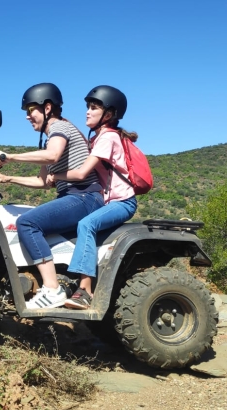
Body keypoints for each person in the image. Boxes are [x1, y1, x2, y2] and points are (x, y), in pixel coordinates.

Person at [0, 83, 103, 309]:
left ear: (47, 108)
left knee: (27, 223)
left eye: (30, 109)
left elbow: (52, 156)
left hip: (84, 196)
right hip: (75, 196)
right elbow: (43, 182)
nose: (27, 116)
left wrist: (9, 157)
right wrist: (8, 178)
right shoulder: (52, 134)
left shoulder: (59, 128)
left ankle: (52, 289)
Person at [48, 85, 138, 309]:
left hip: (122, 202)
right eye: (87, 107)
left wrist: (54, 174)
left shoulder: (108, 138)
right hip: (108, 202)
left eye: (94, 108)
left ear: (108, 114)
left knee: (86, 224)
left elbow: (80, 173)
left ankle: (85, 290)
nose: (87, 112)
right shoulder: (97, 139)